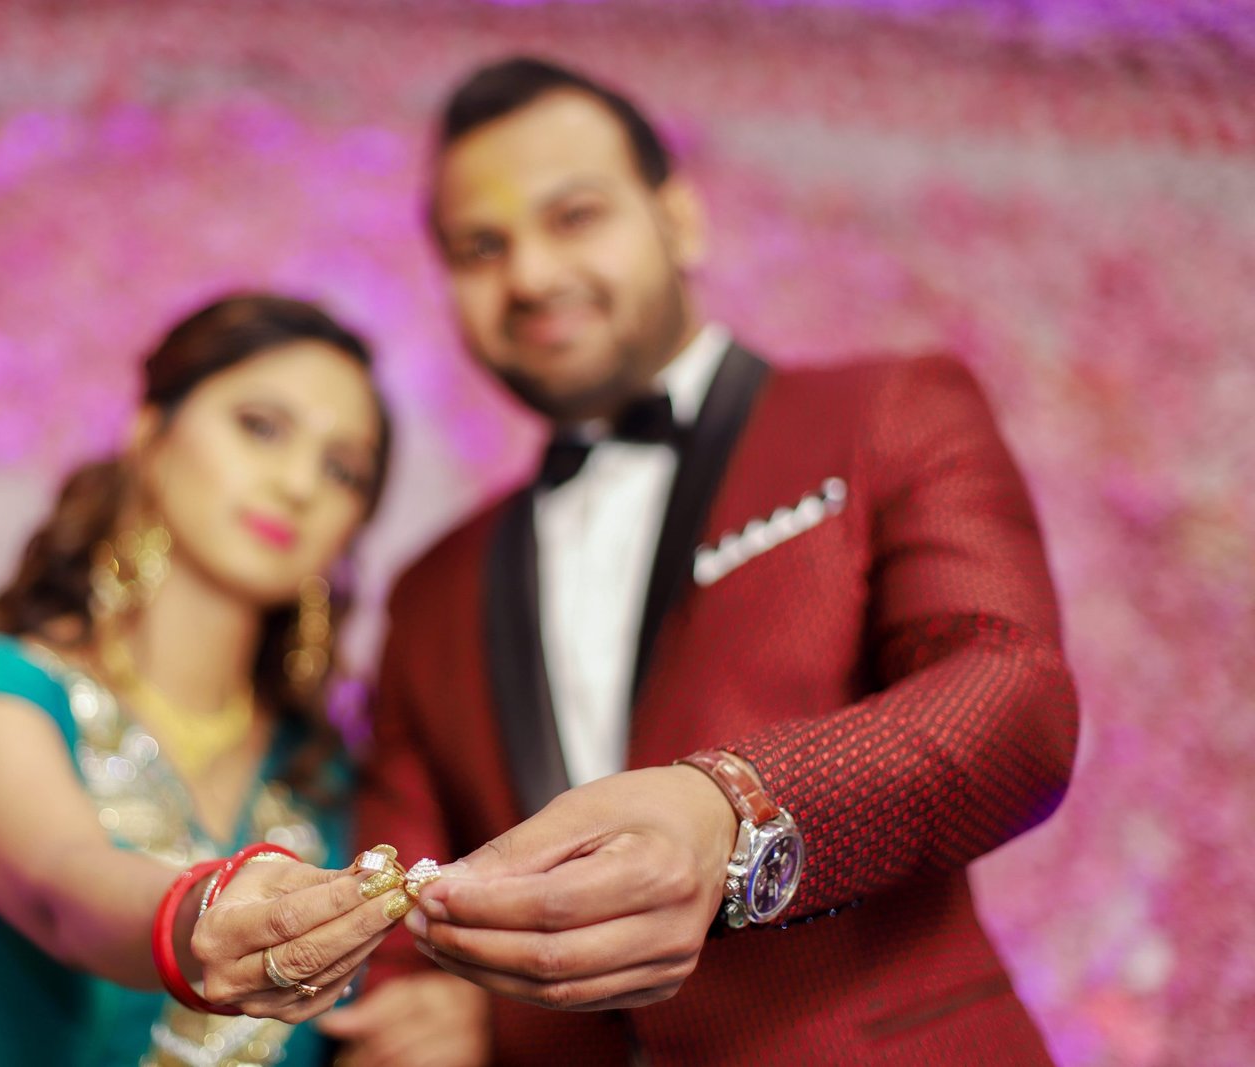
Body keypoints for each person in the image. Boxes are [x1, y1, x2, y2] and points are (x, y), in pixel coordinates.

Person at [321, 58, 1079, 1066]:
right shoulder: (429, 590)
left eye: (574, 216)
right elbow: (398, 900)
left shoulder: (887, 411)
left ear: (678, 219)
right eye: (481, 247)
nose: (531, 274)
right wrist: (477, 1014)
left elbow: (1013, 702)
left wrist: (732, 809)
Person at [0, 293, 409, 1067]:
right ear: (151, 432)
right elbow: (63, 887)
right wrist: (200, 918)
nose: (298, 483)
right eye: (261, 427)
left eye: (341, 469)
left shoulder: (324, 773)